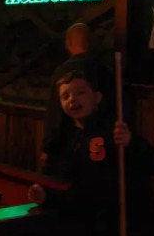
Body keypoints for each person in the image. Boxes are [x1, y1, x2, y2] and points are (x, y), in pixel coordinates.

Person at [29, 69, 154, 236]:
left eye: (80, 92)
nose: (72, 99)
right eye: (65, 96)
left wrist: (132, 143)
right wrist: (47, 195)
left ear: (97, 97)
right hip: (88, 228)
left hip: (124, 228)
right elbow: (66, 183)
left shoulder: (115, 131)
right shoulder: (66, 138)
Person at [41, 23, 114, 174]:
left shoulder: (61, 72)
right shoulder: (105, 70)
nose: (73, 99)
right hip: (106, 146)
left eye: (80, 92)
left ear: (68, 43)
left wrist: (48, 147)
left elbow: (54, 114)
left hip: (69, 148)